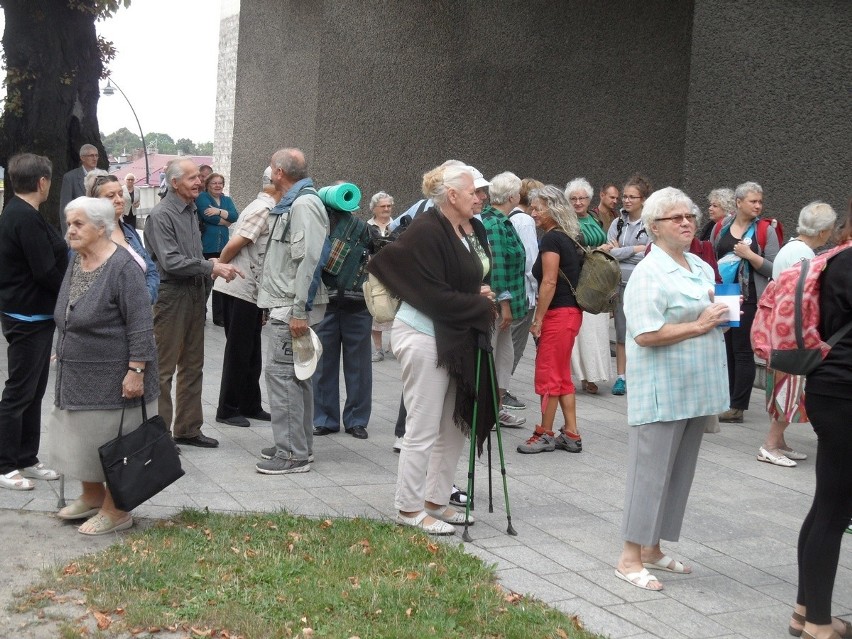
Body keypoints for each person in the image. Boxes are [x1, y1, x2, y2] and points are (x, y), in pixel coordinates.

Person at [368, 162, 496, 535]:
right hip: (425, 334)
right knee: (422, 427)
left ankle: (436, 501)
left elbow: (470, 275)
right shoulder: (426, 228)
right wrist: (477, 303)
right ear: (452, 195)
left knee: (454, 425)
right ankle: (408, 508)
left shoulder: (475, 228)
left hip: (459, 335)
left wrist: (476, 295)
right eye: (474, 191)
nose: (480, 197)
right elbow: (427, 289)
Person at [613, 187, 729, 591]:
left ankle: (652, 549)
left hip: (695, 386)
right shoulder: (649, 271)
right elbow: (644, 334)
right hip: (662, 388)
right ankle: (629, 558)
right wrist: (700, 324)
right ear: (654, 227)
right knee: (649, 473)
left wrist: (723, 311)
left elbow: (708, 307)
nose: (685, 223)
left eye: (690, 217)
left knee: (677, 473)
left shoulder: (696, 263)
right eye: (675, 218)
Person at [51, 197, 159, 535]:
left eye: (78, 224)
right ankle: (92, 495)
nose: (70, 229)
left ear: (102, 228)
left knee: (116, 444)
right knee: (84, 439)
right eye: (69, 223)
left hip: (117, 376)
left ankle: (117, 511)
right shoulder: (78, 261)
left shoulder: (123, 266)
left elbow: (141, 324)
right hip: (79, 373)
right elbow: (69, 311)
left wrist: (136, 370)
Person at [144, 158, 243, 449]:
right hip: (171, 295)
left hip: (193, 292)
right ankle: (159, 437)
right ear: (174, 183)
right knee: (163, 371)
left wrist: (209, 263)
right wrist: (210, 267)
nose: (198, 182)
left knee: (192, 365)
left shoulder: (190, 210)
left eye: (198, 178)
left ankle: (187, 429)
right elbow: (171, 261)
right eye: (191, 179)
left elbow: (191, 254)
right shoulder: (161, 215)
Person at [789, 200, 852, 639]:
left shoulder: (836, 260)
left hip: (828, 387)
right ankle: (817, 624)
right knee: (834, 508)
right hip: (847, 393)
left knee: (826, 503)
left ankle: (804, 610)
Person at [255, 148, 329, 475]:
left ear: (280, 172)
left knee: (284, 378)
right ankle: (299, 446)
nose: (269, 171)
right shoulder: (297, 202)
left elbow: (308, 260)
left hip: (292, 308)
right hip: (287, 303)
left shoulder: (303, 204)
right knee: (296, 377)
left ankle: (291, 454)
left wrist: (299, 310)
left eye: (272, 166)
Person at [0, 153, 67, 491]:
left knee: (34, 391)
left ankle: (27, 458)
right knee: (19, 392)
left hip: (37, 315)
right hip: (25, 316)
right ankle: (5, 464)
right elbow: (44, 270)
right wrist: (72, 294)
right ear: (42, 182)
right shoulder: (23, 216)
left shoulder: (25, 212)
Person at [758, 202, 837, 468]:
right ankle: (770, 444)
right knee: (788, 390)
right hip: (790, 334)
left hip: (781, 331)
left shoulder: (791, 247)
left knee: (786, 388)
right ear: (824, 231)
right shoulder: (804, 254)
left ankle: (778, 443)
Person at [516, 185, 583, 455]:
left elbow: (549, 281)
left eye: (537, 208)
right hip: (570, 314)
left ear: (552, 209)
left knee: (549, 378)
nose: (533, 213)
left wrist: (538, 320)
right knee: (562, 376)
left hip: (557, 315)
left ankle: (544, 433)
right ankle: (571, 434)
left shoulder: (551, 240)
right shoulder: (566, 236)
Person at [212, 171, 280, 428]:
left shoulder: (268, 206)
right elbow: (234, 245)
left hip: (251, 290)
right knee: (239, 351)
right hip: (239, 286)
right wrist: (220, 268)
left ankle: (250, 404)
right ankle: (227, 409)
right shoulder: (263, 208)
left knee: (252, 352)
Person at [711, 181, 780, 423]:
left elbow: (775, 268)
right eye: (753, 201)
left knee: (742, 350)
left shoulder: (765, 231)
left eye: (760, 201)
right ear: (739, 202)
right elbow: (712, 256)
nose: (758, 206)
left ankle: (737, 406)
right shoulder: (721, 226)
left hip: (749, 297)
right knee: (726, 348)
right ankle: (726, 399)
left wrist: (750, 256)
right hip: (724, 293)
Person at [312, 192, 373, 442]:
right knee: (324, 364)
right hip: (326, 302)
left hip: (356, 304)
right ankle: (326, 419)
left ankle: (356, 420)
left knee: (358, 366)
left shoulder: (362, 228)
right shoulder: (318, 225)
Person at [481, 171, 527, 430]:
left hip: (504, 305)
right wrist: (505, 305)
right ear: (512, 196)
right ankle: (488, 411)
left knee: (504, 357)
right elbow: (496, 267)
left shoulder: (500, 221)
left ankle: (495, 409)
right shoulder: (495, 224)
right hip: (499, 307)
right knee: (494, 356)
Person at [600, 174, 653, 396]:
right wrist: (634, 250)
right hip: (619, 284)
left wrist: (619, 251)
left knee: (641, 332)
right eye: (625, 196)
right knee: (621, 333)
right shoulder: (617, 221)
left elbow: (650, 255)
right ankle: (621, 377)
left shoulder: (651, 224)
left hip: (642, 284)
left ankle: (640, 377)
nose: (627, 201)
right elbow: (609, 254)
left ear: (643, 199)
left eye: (633, 197)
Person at [566, 177, 611, 395]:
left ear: (589, 199)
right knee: (583, 331)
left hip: (599, 281)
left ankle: (594, 374)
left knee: (598, 329)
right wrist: (597, 250)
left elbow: (603, 238)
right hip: (582, 280)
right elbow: (571, 251)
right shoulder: (567, 222)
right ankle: (584, 377)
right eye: (573, 198)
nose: (577, 202)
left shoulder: (595, 217)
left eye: (581, 198)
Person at [86, 172, 159, 304]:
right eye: (111, 196)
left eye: (120, 194)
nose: (119, 200)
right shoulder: (88, 238)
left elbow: (151, 270)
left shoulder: (129, 231)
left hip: (139, 313)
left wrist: (145, 298)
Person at [503, 177, 544, 411]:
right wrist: (537, 291)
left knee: (506, 342)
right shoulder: (526, 221)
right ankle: (502, 390)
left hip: (511, 290)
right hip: (523, 293)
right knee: (514, 345)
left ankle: (499, 388)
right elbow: (531, 261)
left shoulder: (509, 217)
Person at [196, 173, 239, 326]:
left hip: (223, 248)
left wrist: (218, 211)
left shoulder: (226, 200)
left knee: (220, 283)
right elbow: (208, 217)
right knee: (206, 282)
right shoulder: (203, 198)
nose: (217, 185)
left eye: (220, 183)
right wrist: (225, 222)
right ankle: (200, 313)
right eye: (214, 183)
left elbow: (235, 216)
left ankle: (219, 317)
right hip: (206, 246)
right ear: (208, 184)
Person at [367, 191, 395, 361]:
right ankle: (378, 349)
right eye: (383, 206)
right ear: (374, 209)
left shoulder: (397, 224)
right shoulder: (367, 226)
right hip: (374, 273)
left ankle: (394, 346)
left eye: (389, 206)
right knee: (377, 309)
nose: (387, 209)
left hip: (396, 272)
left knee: (397, 309)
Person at [59, 143, 99, 235]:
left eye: (96, 155)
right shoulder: (70, 178)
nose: (95, 158)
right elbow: (65, 209)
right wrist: (68, 234)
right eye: (91, 155)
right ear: (82, 158)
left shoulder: (103, 176)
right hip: (79, 229)